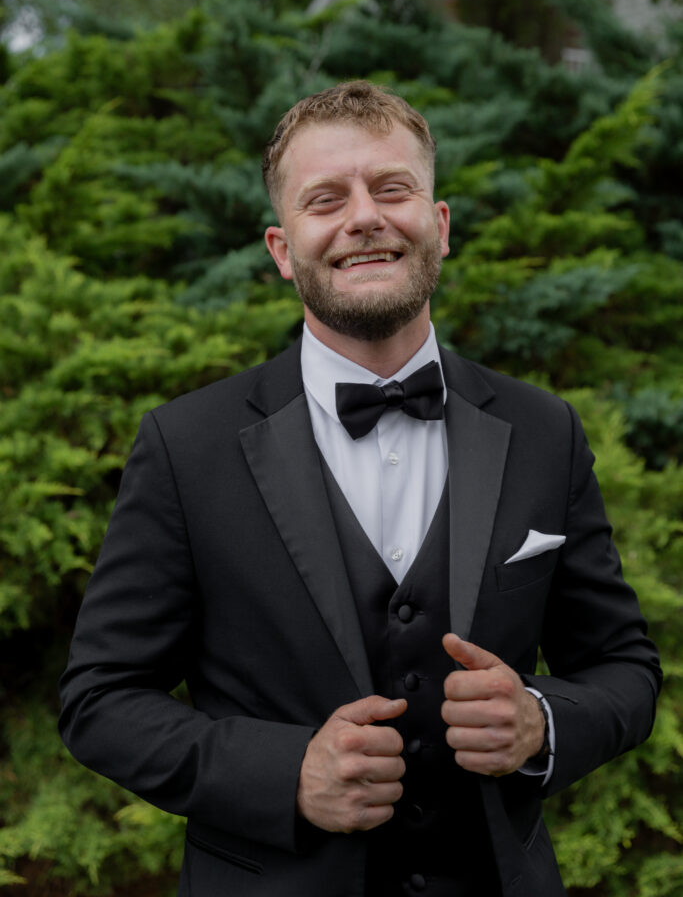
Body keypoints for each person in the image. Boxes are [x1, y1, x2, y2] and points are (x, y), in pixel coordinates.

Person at [59, 80, 661, 897]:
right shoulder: (184, 447)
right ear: (282, 248)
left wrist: (542, 721)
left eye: (391, 188)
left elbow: (623, 668)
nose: (363, 217)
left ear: (438, 226)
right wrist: (285, 774)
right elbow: (100, 699)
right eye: (325, 199)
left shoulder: (544, 432)